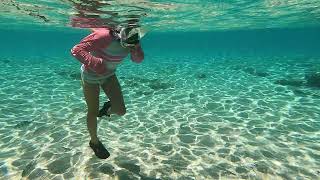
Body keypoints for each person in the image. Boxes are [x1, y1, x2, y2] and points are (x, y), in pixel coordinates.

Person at [70, 26, 144, 159]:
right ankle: (94, 142)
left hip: (109, 76)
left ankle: (106, 110)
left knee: (121, 111)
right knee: (92, 111)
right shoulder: (103, 35)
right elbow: (77, 49)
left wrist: (136, 49)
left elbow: (137, 60)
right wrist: (96, 64)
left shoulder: (133, 36)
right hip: (90, 77)